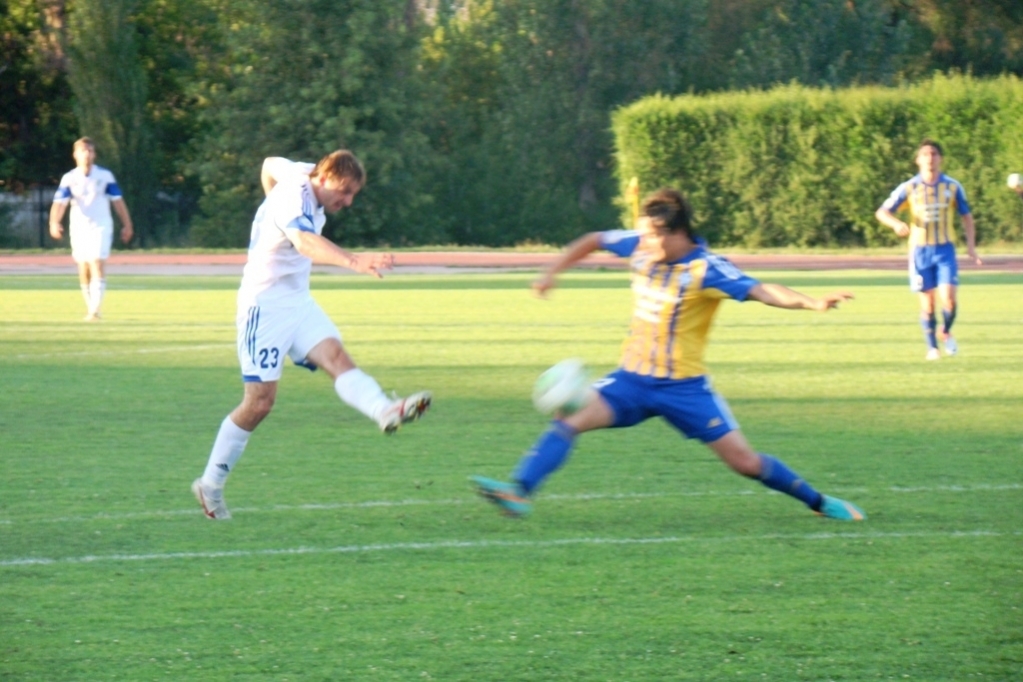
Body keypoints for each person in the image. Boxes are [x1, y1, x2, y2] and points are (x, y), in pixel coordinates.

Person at [472, 188, 866, 521]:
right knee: (568, 418)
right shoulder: (642, 247)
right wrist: (551, 272)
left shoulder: (706, 269)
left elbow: (762, 290)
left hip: (684, 389)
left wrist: (811, 302)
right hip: (631, 380)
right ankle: (519, 492)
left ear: (673, 233)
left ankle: (819, 502)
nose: (641, 243)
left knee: (745, 463)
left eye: (649, 236)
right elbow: (593, 239)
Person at [192, 151, 432, 520]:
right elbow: (304, 242)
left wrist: (268, 198)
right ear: (323, 178)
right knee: (259, 403)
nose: (348, 201)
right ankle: (210, 484)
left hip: (297, 302)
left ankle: (384, 409)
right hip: (264, 306)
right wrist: (354, 261)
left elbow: (269, 163)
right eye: (344, 191)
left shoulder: (301, 172)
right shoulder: (294, 194)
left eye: (353, 194)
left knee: (336, 357)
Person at [875, 139, 982, 361]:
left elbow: (966, 216)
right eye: (925, 154)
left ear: (940, 158)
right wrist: (896, 224)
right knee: (928, 303)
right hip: (920, 252)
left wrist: (971, 246)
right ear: (918, 160)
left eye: (933, 154)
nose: (930, 158)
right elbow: (882, 212)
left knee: (949, 299)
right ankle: (932, 348)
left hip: (945, 250)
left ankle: (945, 331)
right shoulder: (909, 187)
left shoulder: (952, 187)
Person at [48, 137, 134, 321]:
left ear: (94, 154)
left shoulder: (105, 176)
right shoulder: (70, 178)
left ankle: (95, 309)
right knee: (84, 266)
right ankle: (90, 307)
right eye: (83, 151)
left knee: (97, 261)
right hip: (79, 227)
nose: (87, 154)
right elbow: (60, 203)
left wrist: (127, 224)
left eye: (90, 151)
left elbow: (118, 202)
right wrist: (54, 223)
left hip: (101, 225)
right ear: (75, 154)